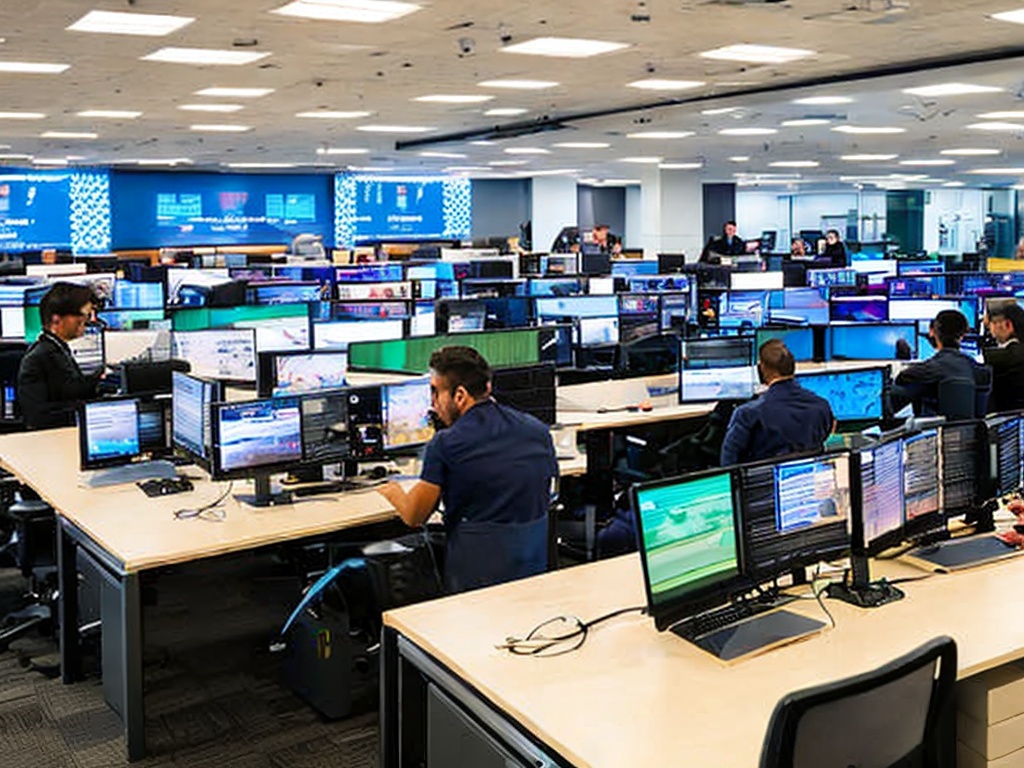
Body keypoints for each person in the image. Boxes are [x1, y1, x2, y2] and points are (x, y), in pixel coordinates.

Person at [378, 346, 558, 593]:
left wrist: (392, 491)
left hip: (476, 583)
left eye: (435, 392)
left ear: (460, 395)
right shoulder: (537, 430)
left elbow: (414, 516)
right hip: (532, 572)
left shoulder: (446, 444)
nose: (433, 403)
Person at [720, 340, 834, 466]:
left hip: (761, 483)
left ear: (761, 369)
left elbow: (729, 463)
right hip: (808, 480)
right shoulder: (822, 406)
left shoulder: (747, 414)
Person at [17, 282, 102, 430]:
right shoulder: (41, 356)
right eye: (83, 316)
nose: (88, 321)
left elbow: (72, 391)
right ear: (56, 320)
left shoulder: (57, 348)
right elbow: (39, 417)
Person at [891, 309, 985, 417]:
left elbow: (902, 378)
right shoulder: (976, 367)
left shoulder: (930, 369)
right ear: (962, 335)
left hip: (935, 430)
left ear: (933, 333)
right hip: (970, 431)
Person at [982, 301, 1024, 412]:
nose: (989, 330)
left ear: (1007, 325)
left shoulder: (1002, 358)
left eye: (989, 324)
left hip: (1004, 422)